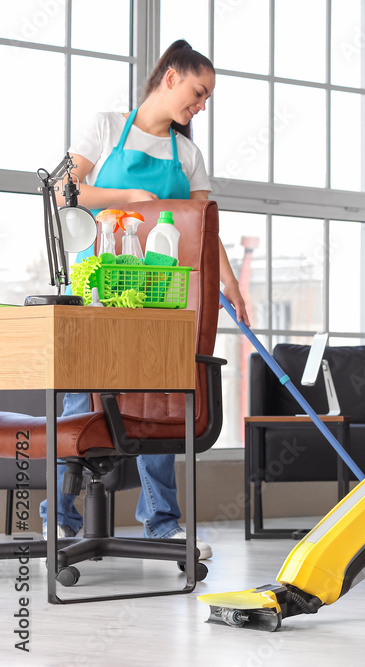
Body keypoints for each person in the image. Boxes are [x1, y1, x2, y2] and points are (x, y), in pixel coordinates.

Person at [40, 39, 249, 558]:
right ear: (172, 77)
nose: (200, 106)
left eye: (207, 100)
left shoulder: (189, 154)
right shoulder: (108, 126)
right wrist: (129, 198)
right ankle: (59, 519)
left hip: (160, 293)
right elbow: (65, 188)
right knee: (78, 396)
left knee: (160, 399)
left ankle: (160, 521)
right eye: (198, 93)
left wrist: (231, 285)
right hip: (98, 287)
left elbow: (206, 229)